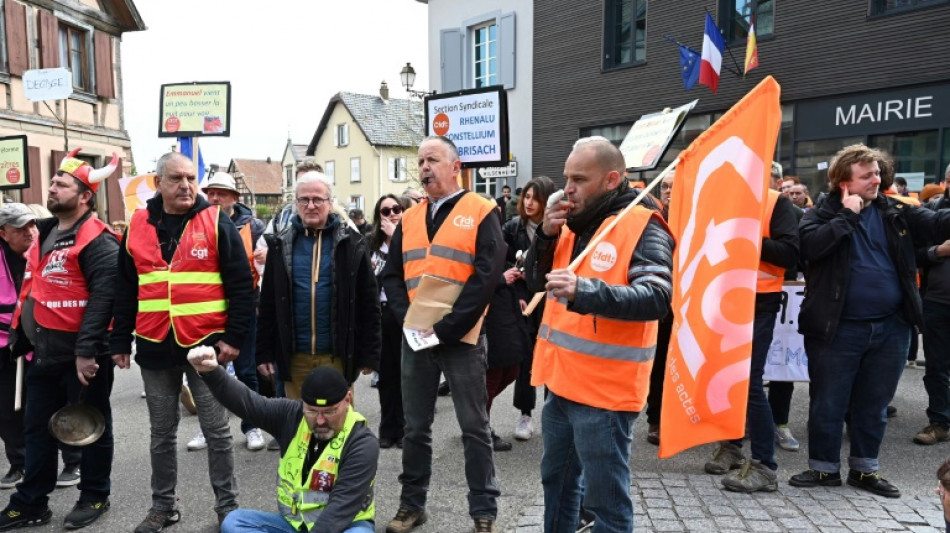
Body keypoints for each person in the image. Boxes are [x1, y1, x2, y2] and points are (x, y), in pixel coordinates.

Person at [523, 137, 673, 532]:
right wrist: (543, 237)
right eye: (566, 178)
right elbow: (537, 283)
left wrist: (585, 291)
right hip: (561, 384)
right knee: (557, 482)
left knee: (606, 503)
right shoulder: (573, 222)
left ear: (610, 180)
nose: (565, 189)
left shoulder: (643, 224)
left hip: (605, 395)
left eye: (578, 179)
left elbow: (657, 297)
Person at [790, 144, 950, 498]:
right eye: (867, 175)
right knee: (828, 402)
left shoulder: (895, 210)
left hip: (891, 328)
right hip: (837, 328)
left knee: (873, 405)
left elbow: (938, 224)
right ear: (843, 180)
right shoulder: (821, 212)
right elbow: (811, 249)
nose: (876, 179)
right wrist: (847, 216)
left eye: (878, 172)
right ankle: (823, 470)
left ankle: (864, 471)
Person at [111, 151, 254, 532]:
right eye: (176, 178)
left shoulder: (215, 220)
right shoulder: (137, 225)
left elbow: (242, 284)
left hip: (206, 346)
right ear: (158, 183)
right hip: (155, 345)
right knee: (161, 433)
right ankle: (163, 507)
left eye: (191, 178)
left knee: (217, 431)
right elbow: (125, 288)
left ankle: (228, 508)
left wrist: (234, 339)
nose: (186, 185)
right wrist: (120, 340)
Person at [380, 136, 505, 533]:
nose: (424, 167)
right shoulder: (410, 217)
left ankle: (483, 512)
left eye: (432, 159)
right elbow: (392, 275)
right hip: (416, 338)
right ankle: (412, 506)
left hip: (461, 340)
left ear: (456, 166)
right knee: (415, 428)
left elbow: (486, 279)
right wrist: (408, 319)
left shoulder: (482, 210)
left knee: (474, 427)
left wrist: (447, 329)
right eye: (420, 161)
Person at [0, 152, 120, 530]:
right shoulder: (47, 231)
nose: (51, 187)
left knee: (91, 429)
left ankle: (95, 496)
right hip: (44, 354)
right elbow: (33, 288)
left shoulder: (100, 241)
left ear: (85, 196)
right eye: (52, 182)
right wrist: (21, 336)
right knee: (37, 430)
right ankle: (31, 502)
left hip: (82, 357)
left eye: (61, 184)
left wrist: (87, 352)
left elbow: (104, 299)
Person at [185, 349, 377, 533]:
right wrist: (212, 372)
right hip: (293, 525)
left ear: (348, 400)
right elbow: (249, 403)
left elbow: (338, 512)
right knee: (235, 522)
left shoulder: (362, 443)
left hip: (344, 526)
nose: (320, 421)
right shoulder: (291, 415)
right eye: (311, 411)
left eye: (330, 411)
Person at [705, 172, 800, 493]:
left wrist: (745, 238)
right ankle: (731, 446)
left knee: (748, 382)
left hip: (759, 301)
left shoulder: (777, 203)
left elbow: (789, 254)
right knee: (728, 378)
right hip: (724, 299)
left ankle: (765, 466)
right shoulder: (721, 205)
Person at [255, 171, 380, 401]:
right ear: (296, 203)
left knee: (338, 426)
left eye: (318, 199)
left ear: (330, 203)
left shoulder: (352, 245)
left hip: (337, 357)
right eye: (304, 199)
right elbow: (269, 302)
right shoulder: (279, 245)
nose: (310, 205)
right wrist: (263, 352)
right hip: (295, 359)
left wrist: (370, 354)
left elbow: (368, 302)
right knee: (298, 424)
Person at [194, 172, 267, 452]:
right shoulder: (195, 224)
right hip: (207, 309)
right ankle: (208, 428)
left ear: (234, 198)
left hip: (244, 307)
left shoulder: (254, 227)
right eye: (210, 193)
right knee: (209, 372)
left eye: (221, 193)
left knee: (247, 371)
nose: (214, 198)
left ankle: (252, 427)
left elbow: (266, 269)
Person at [496, 176, 556, 444]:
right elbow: (504, 261)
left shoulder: (559, 229)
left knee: (553, 355)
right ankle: (525, 414)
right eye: (527, 197)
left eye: (535, 198)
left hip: (552, 299)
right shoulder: (512, 227)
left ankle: (554, 415)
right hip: (523, 300)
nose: (529, 203)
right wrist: (517, 286)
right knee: (526, 358)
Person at [367, 194, 410, 449]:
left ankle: (404, 429)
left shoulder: (409, 241)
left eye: (396, 209)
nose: (392, 214)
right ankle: (387, 428)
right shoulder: (370, 245)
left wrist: (396, 239)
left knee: (405, 374)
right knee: (386, 376)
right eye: (386, 211)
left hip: (404, 313)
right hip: (380, 314)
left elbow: (409, 272)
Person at [645, 171, 676, 446]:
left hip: (693, 303)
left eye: (673, 186)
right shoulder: (655, 220)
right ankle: (655, 419)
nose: (668, 190)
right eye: (665, 186)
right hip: (664, 301)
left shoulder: (698, 218)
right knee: (660, 362)